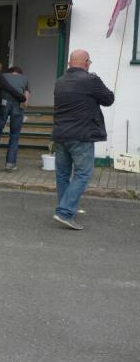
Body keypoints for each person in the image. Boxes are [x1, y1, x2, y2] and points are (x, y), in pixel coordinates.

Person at [52, 49, 115, 230]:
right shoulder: (90, 80)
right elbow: (108, 99)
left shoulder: (59, 81)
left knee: (62, 175)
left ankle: (64, 209)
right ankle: (65, 212)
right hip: (81, 135)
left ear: (69, 63)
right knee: (82, 174)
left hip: (60, 134)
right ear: (87, 62)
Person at [0, 65, 31, 171]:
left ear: (10, 72)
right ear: (20, 73)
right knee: (14, 135)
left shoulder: (2, 76)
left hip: (2, 104)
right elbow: (26, 101)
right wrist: (22, 111)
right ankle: (10, 164)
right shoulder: (25, 79)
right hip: (18, 106)